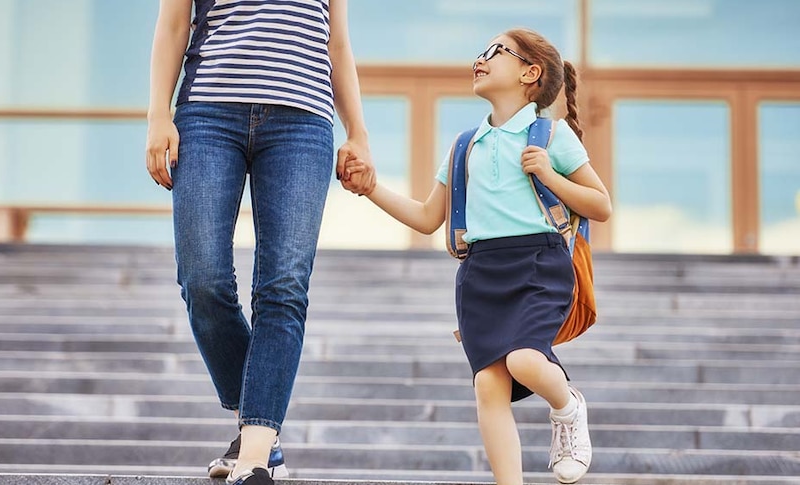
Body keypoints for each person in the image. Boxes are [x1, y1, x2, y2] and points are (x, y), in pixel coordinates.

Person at [342, 28, 611, 485]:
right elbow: (429, 217)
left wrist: (550, 175)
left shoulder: (552, 135)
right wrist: (370, 189)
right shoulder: (466, 143)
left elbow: (600, 205)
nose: (479, 58)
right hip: (480, 274)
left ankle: (568, 407)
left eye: (495, 52)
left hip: (538, 265)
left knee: (525, 360)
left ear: (530, 72)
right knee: (489, 385)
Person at [145, 1, 375, 484]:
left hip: (303, 121)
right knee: (202, 278)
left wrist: (358, 132)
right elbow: (172, 25)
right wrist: (156, 117)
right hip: (207, 114)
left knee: (283, 287)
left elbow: (336, 41)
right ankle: (259, 433)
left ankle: (252, 456)